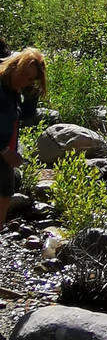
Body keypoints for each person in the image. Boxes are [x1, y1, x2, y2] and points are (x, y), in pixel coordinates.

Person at [0, 47, 47, 231]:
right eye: (25, 75)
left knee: (5, 195)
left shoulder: (12, 90)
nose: (25, 81)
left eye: (31, 79)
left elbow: (26, 115)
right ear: (15, 66)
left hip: (5, 154)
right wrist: (4, 150)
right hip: (3, 151)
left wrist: (31, 96)